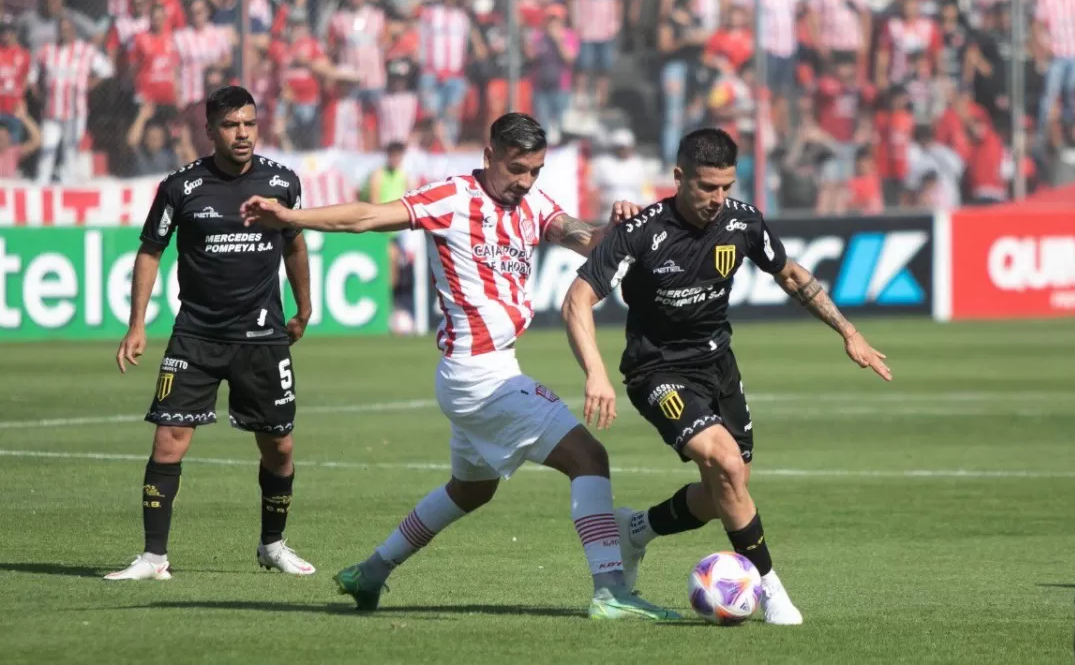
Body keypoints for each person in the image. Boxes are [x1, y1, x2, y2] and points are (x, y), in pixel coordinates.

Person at [239, 112, 679, 621]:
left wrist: (621, 226)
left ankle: (371, 572)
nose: (525, 181)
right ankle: (610, 591)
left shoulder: (533, 203)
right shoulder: (451, 198)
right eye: (516, 168)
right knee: (590, 458)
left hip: (483, 370)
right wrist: (290, 217)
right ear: (489, 156)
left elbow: (588, 238)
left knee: (471, 490)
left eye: (535, 170)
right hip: (481, 376)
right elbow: (366, 217)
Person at [561, 127, 892, 625]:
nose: (718, 198)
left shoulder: (742, 221)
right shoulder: (642, 231)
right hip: (657, 372)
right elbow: (577, 299)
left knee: (725, 493)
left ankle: (635, 531)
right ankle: (772, 592)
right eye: (706, 187)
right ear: (679, 177)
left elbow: (790, 274)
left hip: (719, 367)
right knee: (729, 467)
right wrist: (596, 374)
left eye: (726, 187)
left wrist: (849, 332)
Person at [105, 86, 315, 582]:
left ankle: (272, 545)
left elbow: (295, 246)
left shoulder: (282, 182)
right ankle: (154, 557)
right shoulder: (181, 187)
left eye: (249, 123)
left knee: (280, 448)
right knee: (168, 442)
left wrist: (304, 308)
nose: (242, 134)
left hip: (262, 338)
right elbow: (151, 251)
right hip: (196, 336)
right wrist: (137, 324)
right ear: (210, 130)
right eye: (230, 125)